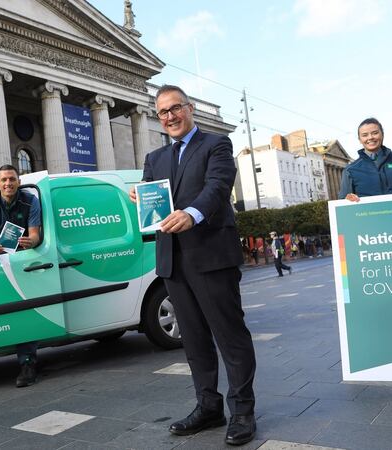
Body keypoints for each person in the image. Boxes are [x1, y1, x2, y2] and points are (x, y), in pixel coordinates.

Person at [129, 85, 257, 446]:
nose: (169, 117)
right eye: (162, 112)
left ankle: (243, 411)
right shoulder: (155, 158)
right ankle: (209, 407)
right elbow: (150, 197)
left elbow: (218, 186)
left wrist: (193, 213)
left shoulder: (216, 144)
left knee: (230, 337)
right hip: (173, 260)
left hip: (212, 256)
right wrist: (139, 195)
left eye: (175, 109)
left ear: (189, 109)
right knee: (195, 341)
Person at [0, 164, 41, 388]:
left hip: (24, 263)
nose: (8, 183)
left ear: (18, 182)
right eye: (4, 180)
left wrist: (30, 242)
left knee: (24, 312)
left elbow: (35, 236)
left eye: (12, 179)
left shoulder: (31, 201)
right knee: (7, 314)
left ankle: (27, 362)